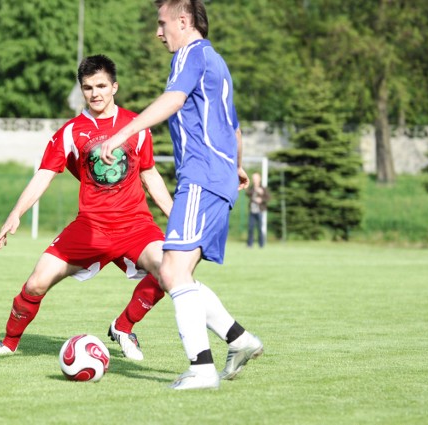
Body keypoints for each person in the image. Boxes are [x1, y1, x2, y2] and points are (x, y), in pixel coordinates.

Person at [100, 0, 263, 390]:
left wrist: (122, 133)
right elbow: (233, 126)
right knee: (178, 272)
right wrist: (236, 165)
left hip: (201, 176)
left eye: (162, 23)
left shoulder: (189, 54)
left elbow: (172, 101)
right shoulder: (217, 62)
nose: (159, 33)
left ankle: (202, 370)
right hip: (217, 175)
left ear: (183, 21)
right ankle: (240, 341)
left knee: (172, 271)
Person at [0, 54, 172, 360]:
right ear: (82, 90)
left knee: (169, 270)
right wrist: (16, 213)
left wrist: (174, 215)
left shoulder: (137, 126)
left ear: (114, 87)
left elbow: (149, 174)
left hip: (135, 225)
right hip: (90, 228)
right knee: (37, 281)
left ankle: (124, 325)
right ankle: (8, 343)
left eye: (101, 86)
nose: (95, 93)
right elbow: (44, 175)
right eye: (88, 87)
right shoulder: (71, 131)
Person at [246, 172, 270, 248]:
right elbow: (247, 193)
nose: (254, 180)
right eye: (253, 179)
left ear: (259, 179)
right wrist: (254, 190)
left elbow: (268, 198)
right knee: (250, 227)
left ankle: (261, 244)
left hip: (259, 211)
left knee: (260, 228)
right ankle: (250, 244)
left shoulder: (263, 188)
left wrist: (261, 199)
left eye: (256, 178)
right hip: (252, 210)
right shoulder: (252, 188)